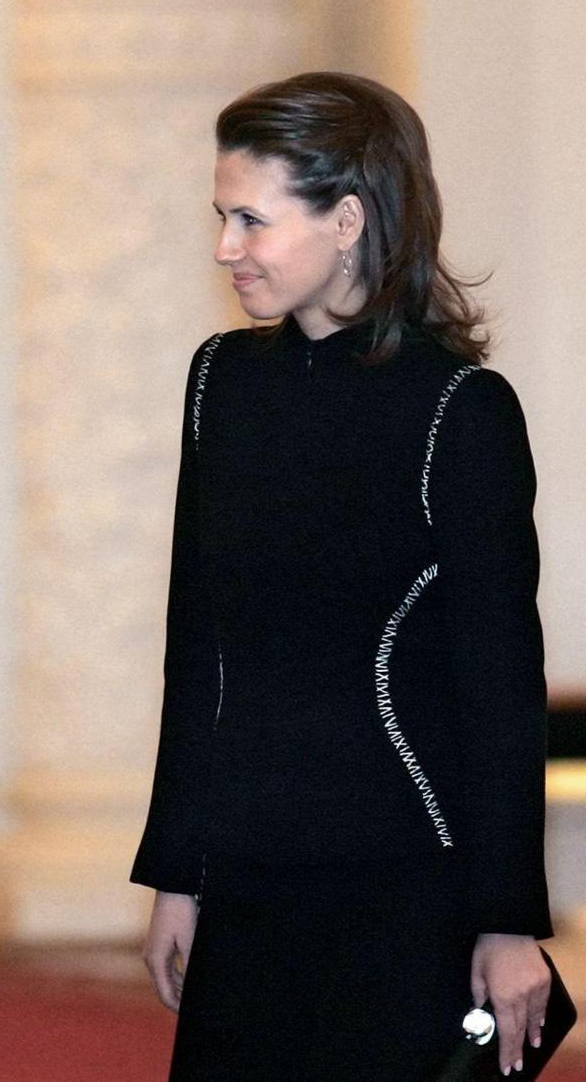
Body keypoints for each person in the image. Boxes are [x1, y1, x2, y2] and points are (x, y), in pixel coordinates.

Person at [133, 72, 554, 1080]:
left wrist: (504, 921)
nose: (223, 248)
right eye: (218, 217)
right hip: (245, 875)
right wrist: (176, 875)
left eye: (249, 219)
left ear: (347, 219)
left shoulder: (459, 410)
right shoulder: (220, 383)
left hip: (403, 881)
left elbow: (498, 685)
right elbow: (197, 649)